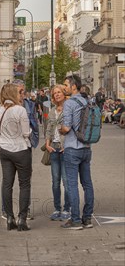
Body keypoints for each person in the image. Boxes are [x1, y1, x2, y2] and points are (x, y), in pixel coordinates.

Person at [0, 83, 32, 231]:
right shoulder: (20, 110)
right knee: (24, 184)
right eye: (17, 92)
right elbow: (26, 132)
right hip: (21, 149)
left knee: (7, 183)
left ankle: (9, 217)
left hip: (5, 150)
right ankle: (22, 218)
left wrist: (3, 139)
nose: (19, 94)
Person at [59, 74, 94, 230]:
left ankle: (75, 220)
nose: (64, 87)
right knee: (87, 184)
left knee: (72, 185)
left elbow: (66, 128)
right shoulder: (87, 100)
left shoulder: (69, 103)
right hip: (86, 147)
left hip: (73, 147)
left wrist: (60, 130)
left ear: (73, 86)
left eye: (66, 85)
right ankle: (87, 218)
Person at [45, 85, 70, 222]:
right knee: (55, 181)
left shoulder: (69, 109)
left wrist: (68, 145)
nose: (57, 95)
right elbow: (49, 128)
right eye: (54, 93)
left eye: (59, 92)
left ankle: (67, 208)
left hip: (65, 148)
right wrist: (47, 144)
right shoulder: (53, 110)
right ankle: (56, 208)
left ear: (64, 94)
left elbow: (72, 128)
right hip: (54, 148)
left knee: (66, 181)